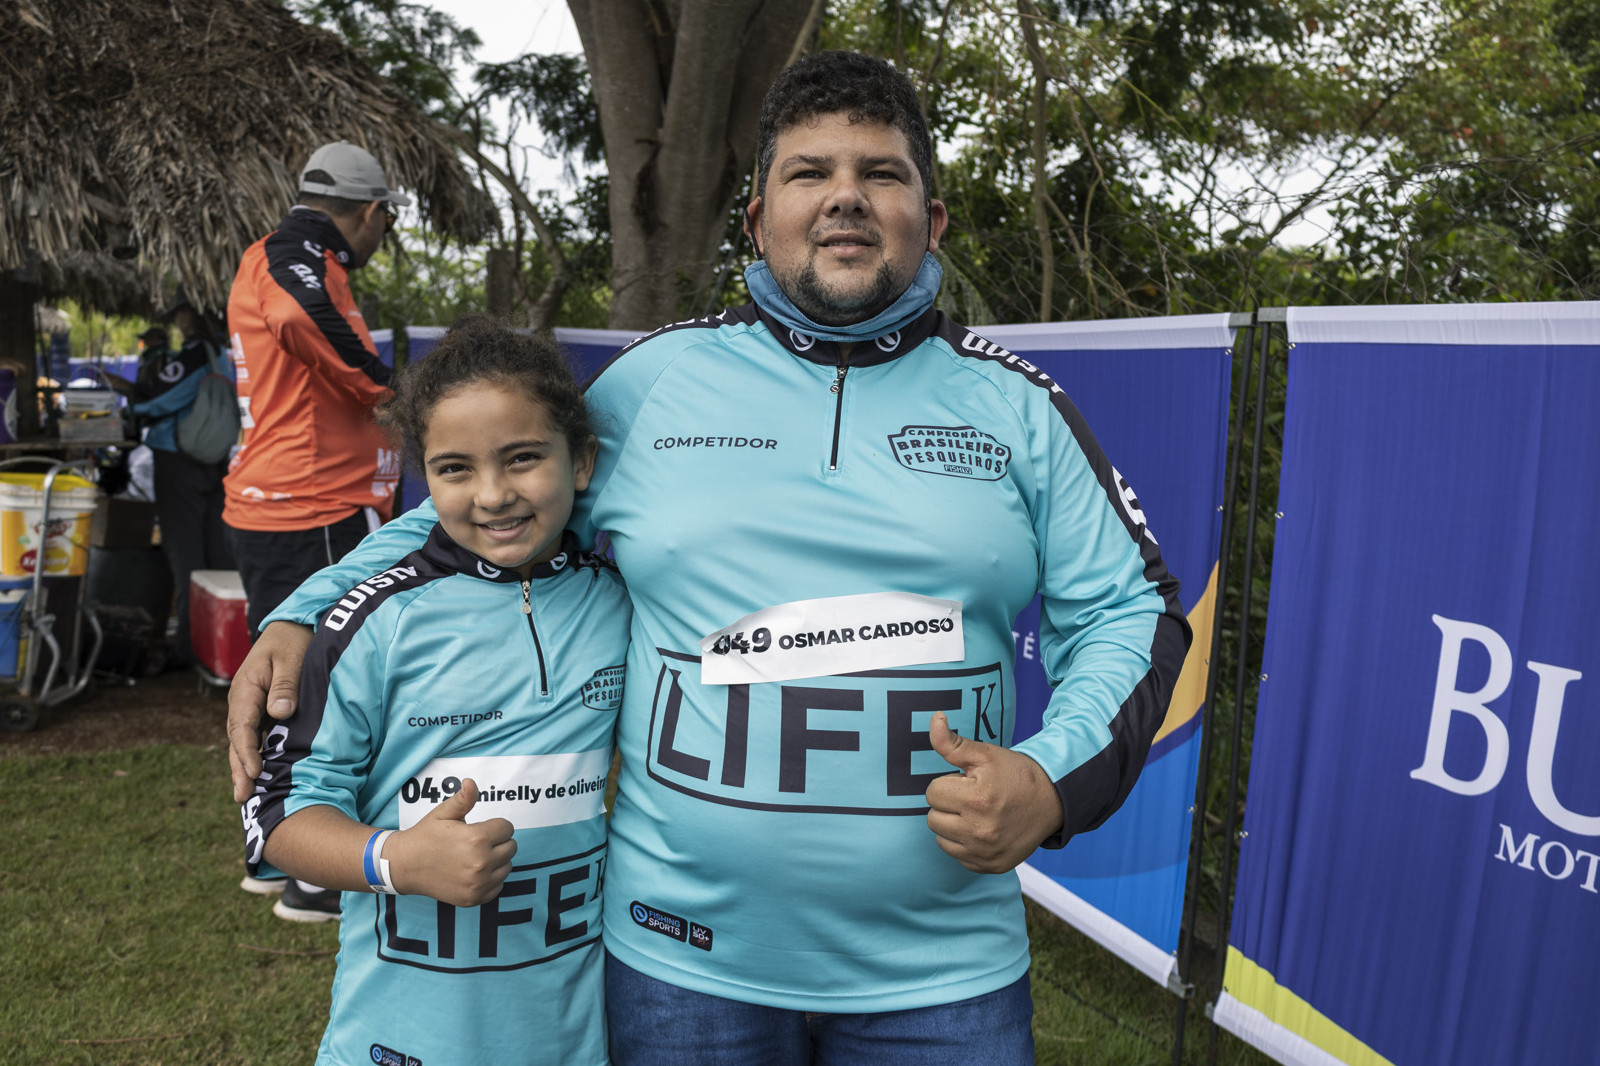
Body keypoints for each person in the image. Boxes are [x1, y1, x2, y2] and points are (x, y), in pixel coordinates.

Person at [230, 51, 1190, 1063]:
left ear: (932, 219)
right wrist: (305, 610)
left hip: (943, 977)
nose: (845, 200)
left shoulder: (1019, 407)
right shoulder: (647, 389)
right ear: (757, 216)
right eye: (809, 173)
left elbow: (1133, 609)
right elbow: (482, 507)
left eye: (883, 174)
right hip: (682, 968)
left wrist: (1049, 780)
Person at [241, 317, 627, 1065]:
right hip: (400, 1041)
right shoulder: (372, 621)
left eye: (522, 459)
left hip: (569, 1037)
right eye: (455, 469)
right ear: (425, 477)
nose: (492, 495)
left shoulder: (614, 604)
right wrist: (395, 860)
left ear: (581, 463)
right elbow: (276, 813)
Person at [225, 140, 407, 919]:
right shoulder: (295, 255)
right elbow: (304, 316)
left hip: (289, 500)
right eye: (384, 224)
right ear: (371, 213)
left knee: (283, 681)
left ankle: (271, 853)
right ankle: (311, 873)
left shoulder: (279, 254)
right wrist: (382, 390)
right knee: (322, 682)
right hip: (313, 503)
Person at [99, 309, 235, 668]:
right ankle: (220, 643)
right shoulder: (223, 350)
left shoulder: (193, 350)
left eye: (178, 314)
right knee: (217, 554)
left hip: (179, 456)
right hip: (214, 456)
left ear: (188, 315)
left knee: (186, 555)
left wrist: (133, 395)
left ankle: (189, 649)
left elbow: (162, 396)